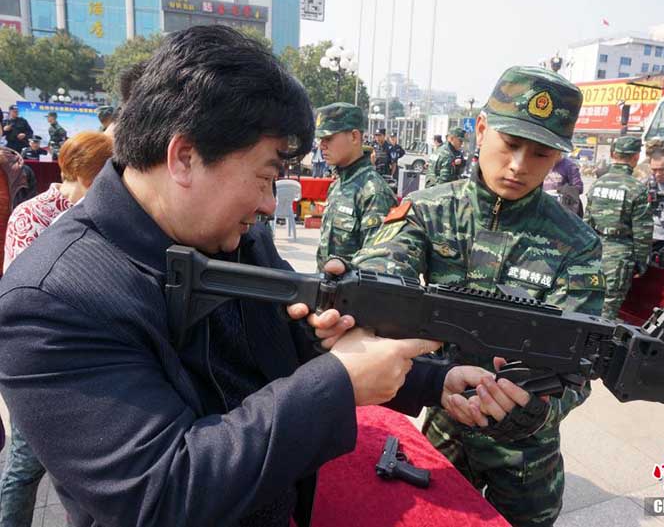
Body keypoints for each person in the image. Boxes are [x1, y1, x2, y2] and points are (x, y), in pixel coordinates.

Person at [0, 26, 500, 527]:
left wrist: (434, 381)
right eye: (264, 178)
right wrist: (339, 384)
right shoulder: (48, 302)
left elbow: (295, 342)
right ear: (184, 157)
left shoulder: (236, 239)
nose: (267, 204)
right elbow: (161, 493)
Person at [352, 66, 606, 527]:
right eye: (510, 144)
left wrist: (533, 410)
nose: (518, 165)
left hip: (526, 456)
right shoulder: (431, 210)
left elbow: (581, 365)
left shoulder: (579, 243)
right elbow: (382, 269)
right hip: (444, 425)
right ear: (482, 129)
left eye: (540, 153)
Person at [0, 131, 113, 527]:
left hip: (83, 370)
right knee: (24, 468)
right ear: (89, 174)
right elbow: (20, 300)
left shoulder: (101, 214)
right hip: (40, 366)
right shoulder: (33, 215)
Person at [315, 103, 398, 271]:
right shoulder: (339, 185)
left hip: (352, 294)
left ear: (354, 137)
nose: (321, 146)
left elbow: (377, 264)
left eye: (328, 138)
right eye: (320, 140)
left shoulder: (374, 192)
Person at [584, 136, 652, 320]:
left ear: (614, 154)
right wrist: (641, 262)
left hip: (594, 250)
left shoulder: (598, 183)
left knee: (587, 301)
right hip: (619, 255)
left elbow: (586, 222)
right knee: (608, 310)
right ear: (636, 157)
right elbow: (642, 232)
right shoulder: (637, 188)